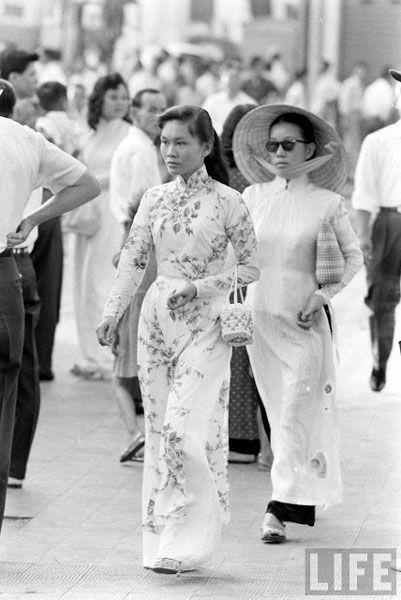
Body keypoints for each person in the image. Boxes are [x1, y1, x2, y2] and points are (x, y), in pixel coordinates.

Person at [97, 105, 259, 573]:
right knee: (157, 430)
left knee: (183, 431)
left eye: (181, 142)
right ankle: (164, 540)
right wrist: (112, 314)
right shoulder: (153, 198)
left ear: (206, 146)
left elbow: (250, 266)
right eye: (164, 141)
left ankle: (193, 537)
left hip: (206, 323)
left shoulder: (230, 201)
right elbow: (131, 261)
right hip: (156, 322)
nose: (170, 150)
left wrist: (201, 286)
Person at [233, 104, 363, 543]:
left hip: (304, 326)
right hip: (259, 325)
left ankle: (276, 510)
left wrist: (322, 295)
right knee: (279, 412)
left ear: (310, 149)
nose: (281, 152)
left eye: (289, 144)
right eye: (273, 145)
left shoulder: (328, 204)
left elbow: (353, 259)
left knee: (292, 411)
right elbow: (234, 257)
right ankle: (294, 498)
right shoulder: (252, 198)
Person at [0, 77, 99, 529]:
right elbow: (86, 184)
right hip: (6, 273)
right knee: (4, 398)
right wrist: (31, 217)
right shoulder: (26, 140)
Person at [109, 88, 167, 462]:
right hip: (141, 276)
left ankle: (138, 433)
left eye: (162, 110)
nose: (157, 116)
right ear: (135, 111)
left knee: (126, 367)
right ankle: (141, 433)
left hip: (138, 285)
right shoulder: (137, 149)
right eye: (151, 109)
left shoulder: (146, 146)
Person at [71, 73, 132, 380]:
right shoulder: (91, 132)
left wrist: (92, 182)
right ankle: (88, 354)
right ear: (100, 99)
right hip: (89, 211)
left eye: (124, 97)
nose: (120, 103)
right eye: (114, 97)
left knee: (103, 280)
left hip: (111, 211)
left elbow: (126, 177)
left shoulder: (129, 135)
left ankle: (107, 354)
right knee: (83, 279)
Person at [351, 68, 401, 392]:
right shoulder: (379, 141)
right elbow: (363, 194)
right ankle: (380, 362)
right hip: (390, 222)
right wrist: (363, 237)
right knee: (382, 299)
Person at [220, 103, 264, 464]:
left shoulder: (224, 178)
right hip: (244, 279)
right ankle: (247, 439)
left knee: (236, 354)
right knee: (243, 355)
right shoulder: (256, 181)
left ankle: (241, 439)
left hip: (234, 279)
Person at [202, 64, 255, 135]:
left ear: (241, 82)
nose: (232, 81)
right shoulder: (213, 100)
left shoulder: (249, 103)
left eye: (235, 78)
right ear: (223, 81)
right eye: (229, 77)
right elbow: (201, 120)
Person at [360, 66, 396, 137]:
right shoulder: (386, 88)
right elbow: (387, 106)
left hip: (366, 120)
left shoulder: (372, 86)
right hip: (378, 122)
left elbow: (363, 103)